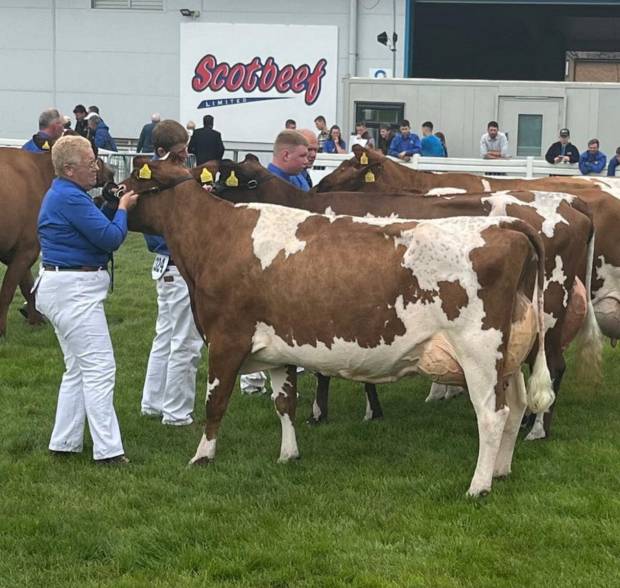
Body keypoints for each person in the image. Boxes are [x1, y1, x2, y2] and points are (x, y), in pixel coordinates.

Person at [35, 135, 138, 464]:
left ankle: (63, 443)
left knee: (77, 369)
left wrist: (108, 204)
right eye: (89, 162)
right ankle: (108, 451)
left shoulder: (66, 194)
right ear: (68, 169)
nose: (96, 167)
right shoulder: (70, 198)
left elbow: (94, 229)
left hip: (62, 286)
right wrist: (122, 209)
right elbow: (110, 238)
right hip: (74, 290)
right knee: (99, 369)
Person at [141, 120, 204, 425]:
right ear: (162, 151)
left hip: (166, 266)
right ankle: (177, 413)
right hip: (177, 263)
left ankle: (152, 403)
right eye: (179, 154)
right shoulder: (162, 181)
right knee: (186, 340)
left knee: (165, 336)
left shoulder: (153, 179)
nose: (184, 158)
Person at [240, 130, 311, 394]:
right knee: (256, 319)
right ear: (285, 154)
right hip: (263, 262)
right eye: (303, 155)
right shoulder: (263, 184)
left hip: (291, 260)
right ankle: (251, 381)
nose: (308, 160)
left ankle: (284, 371)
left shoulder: (299, 180)